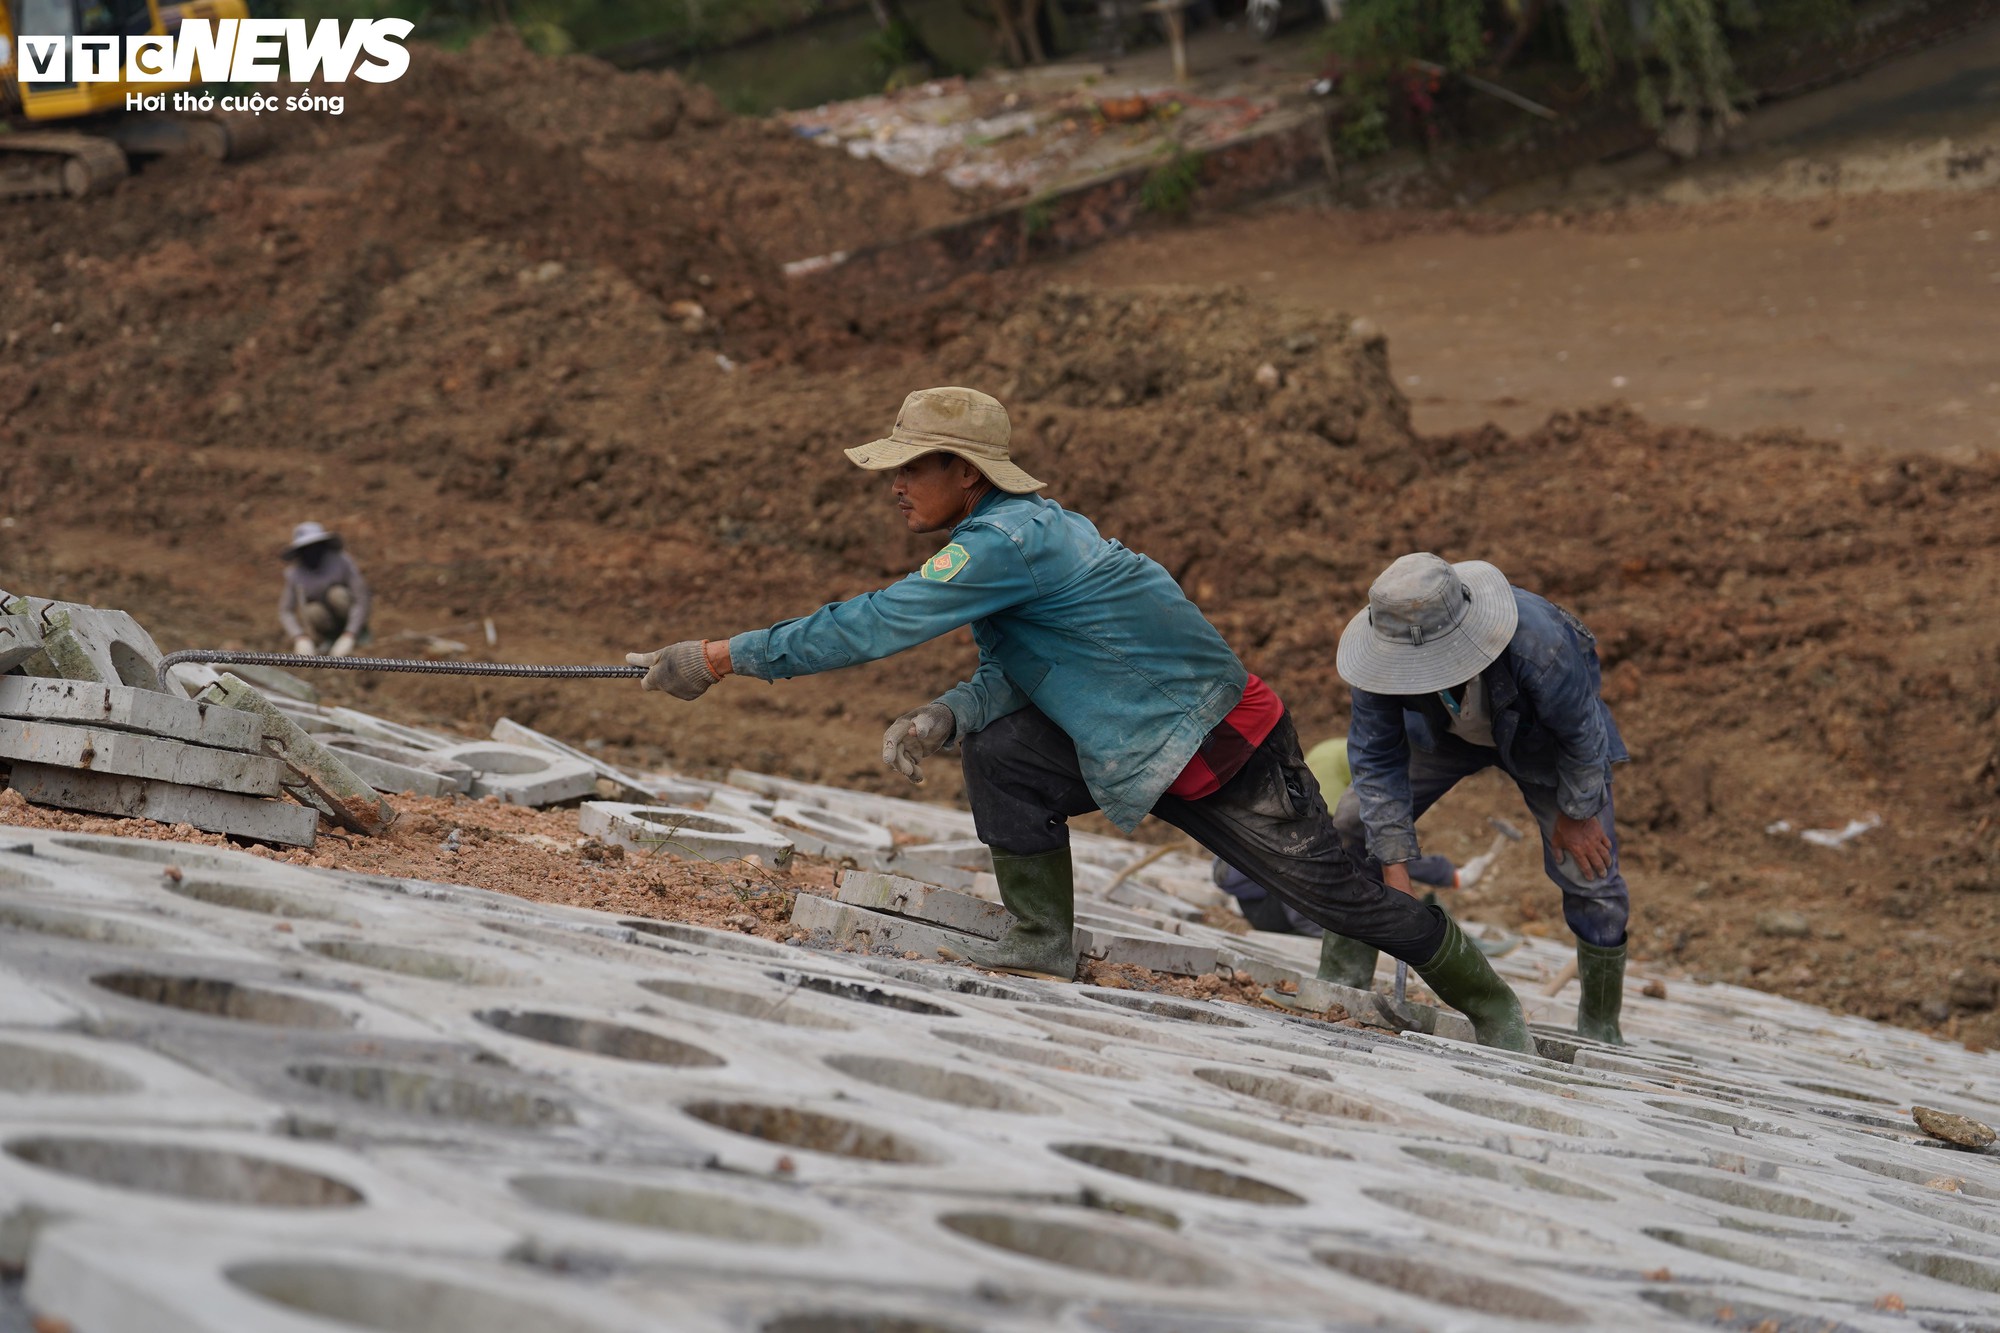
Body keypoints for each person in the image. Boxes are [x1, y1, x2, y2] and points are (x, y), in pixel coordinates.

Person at [627, 387, 1533, 1052]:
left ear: (966, 472)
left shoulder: (1005, 543)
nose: (894, 484)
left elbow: (876, 622)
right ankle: (1039, 938)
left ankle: (1491, 1000)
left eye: (912, 467)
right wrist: (949, 713)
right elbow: (1026, 668)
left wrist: (722, 655)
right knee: (1002, 752)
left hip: (1220, 741)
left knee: (1339, 900)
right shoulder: (1011, 538)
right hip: (1129, 738)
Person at [1331, 552, 1631, 1045]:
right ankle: (1342, 980)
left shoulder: (1540, 643)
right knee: (1354, 824)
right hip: (1441, 737)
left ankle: (1601, 1028)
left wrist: (1578, 813)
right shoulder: (1381, 656)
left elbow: (1582, 731)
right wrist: (1394, 866)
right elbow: (1376, 761)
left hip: (1543, 744)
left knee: (1590, 870)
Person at [1213, 737, 1459, 937]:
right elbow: (1380, 841)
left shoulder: (1347, 750)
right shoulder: (1371, 767)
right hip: (1275, 909)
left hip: (1260, 901)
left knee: (1352, 854)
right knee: (1348, 853)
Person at [278, 522, 370, 658]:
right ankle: (330, 639)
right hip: (324, 622)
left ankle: (358, 634)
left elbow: (361, 598)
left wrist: (350, 634)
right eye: (306, 549)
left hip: (348, 616)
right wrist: (299, 637)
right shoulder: (295, 575)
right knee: (312, 610)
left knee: (337, 594)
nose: (311, 553)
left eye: (315, 547)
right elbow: (285, 611)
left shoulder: (341, 561)